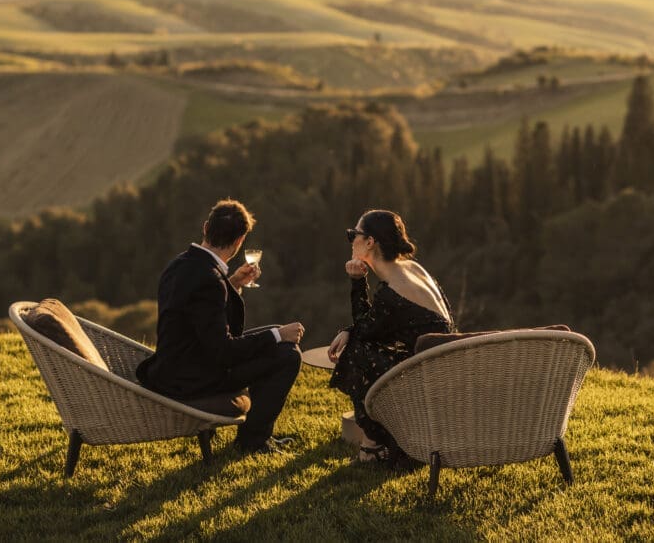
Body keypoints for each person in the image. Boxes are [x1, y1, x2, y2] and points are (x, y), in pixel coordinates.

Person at [136, 199, 304, 455]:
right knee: (287, 353)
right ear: (239, 242)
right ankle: (253, 442)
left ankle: (256, 435)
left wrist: (232, 284)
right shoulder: (210, 279)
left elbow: (199, 320)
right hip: (191, 378)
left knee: (276, 336)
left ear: (206, 228)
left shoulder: (181, 264)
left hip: (179, 362)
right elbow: (223, 350)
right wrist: (277, 335)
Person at [327, 209, 453, 464]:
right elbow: (379, 325)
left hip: (426, 377)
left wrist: (357, 281)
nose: (351, 240)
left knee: (354, 352)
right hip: (438, 367)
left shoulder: (393, 292)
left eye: (354, 235)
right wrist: (351, 330)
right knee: (359, 342)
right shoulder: (412, 268)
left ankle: (373, 443)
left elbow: (366, 330)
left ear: (370, 242)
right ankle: (376, 440)